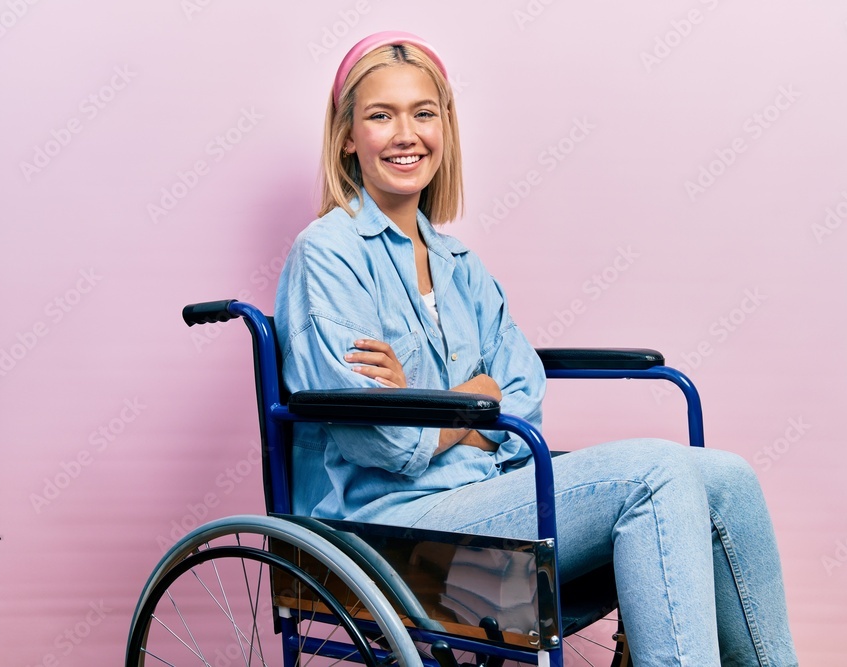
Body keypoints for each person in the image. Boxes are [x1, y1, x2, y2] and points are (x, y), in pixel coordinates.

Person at [274, 31, 798, 666]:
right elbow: (378, 439)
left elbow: (523, 392)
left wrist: (442, 406)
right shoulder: (326, 255)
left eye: (423, 113)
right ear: (348, 137)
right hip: (392, 536)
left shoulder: (461, 265)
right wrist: (472, 402)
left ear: (446, 128)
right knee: (659, 474)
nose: (405, 134)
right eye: (381, 115)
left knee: (726, 478)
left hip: (492, 497)